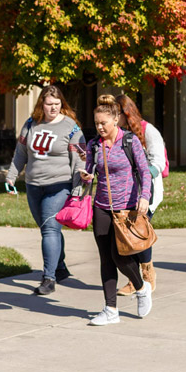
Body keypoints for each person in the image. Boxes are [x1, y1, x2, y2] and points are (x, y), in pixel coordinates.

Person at [80, 94, 153, 325]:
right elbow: (89, 174)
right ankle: (110, 310)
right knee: (105, 259)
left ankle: (141, 288)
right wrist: (85, 177)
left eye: (104, 123)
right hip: (101, 206)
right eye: (96, 123)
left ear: (116, 120)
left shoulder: (130, 142)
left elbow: (145, 173)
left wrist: (144, 197)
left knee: (120, 256)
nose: (100, 127)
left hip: (126, 208)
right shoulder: (93, 146)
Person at [5, 84, 84, 296]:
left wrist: (77, 190)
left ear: (62, 104)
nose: (53, 108)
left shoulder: (72, 127)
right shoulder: (31, 124)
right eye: (49, 104)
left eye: (57, 104)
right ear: (42, 104)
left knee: (50, 229)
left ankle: (49, 278)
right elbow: (21, 152)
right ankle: (60, 267)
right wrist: (11, 177)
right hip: (33, 185)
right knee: (49, 229)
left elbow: (79, 161)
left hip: (59, 185)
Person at [114, 94, 166, 296]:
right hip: (124, 192)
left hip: (147, 191)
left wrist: (139, 174)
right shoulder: (115, 134)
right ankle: (133, 279)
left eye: (117, 114)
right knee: (126, 235)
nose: (114, 118)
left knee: (139, 231)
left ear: (126, 113)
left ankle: (147, 274)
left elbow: (158, 163)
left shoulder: (148, 131)